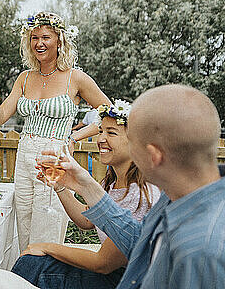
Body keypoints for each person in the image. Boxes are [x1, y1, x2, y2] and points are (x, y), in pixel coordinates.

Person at [55, 84, 225, 288]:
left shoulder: (200, 252)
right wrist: (85, 185)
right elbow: (139, 241)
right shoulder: (176, 196)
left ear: (154, 156)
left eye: (133, 142)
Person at [0, 11, 110, 251]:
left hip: (54, 158)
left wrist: (73, 136)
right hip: (24, 157)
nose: (39, 43)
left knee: (47, 228)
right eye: (34, 38)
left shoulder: (75, 78)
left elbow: (108, 114)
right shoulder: (24, 78)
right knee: (23, 229)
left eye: (45, 37)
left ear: (60, 40)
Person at [12, 100, 160, 288]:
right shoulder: (111, 182)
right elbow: (86, 221)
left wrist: (45, 246)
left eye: (111, 133)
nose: (100, 139)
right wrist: (59, 187)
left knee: (32, 264)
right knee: (32, 262)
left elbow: (103, 263)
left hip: (124, 280)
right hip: (111, 273)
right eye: (100, 131)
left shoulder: (141, 193)